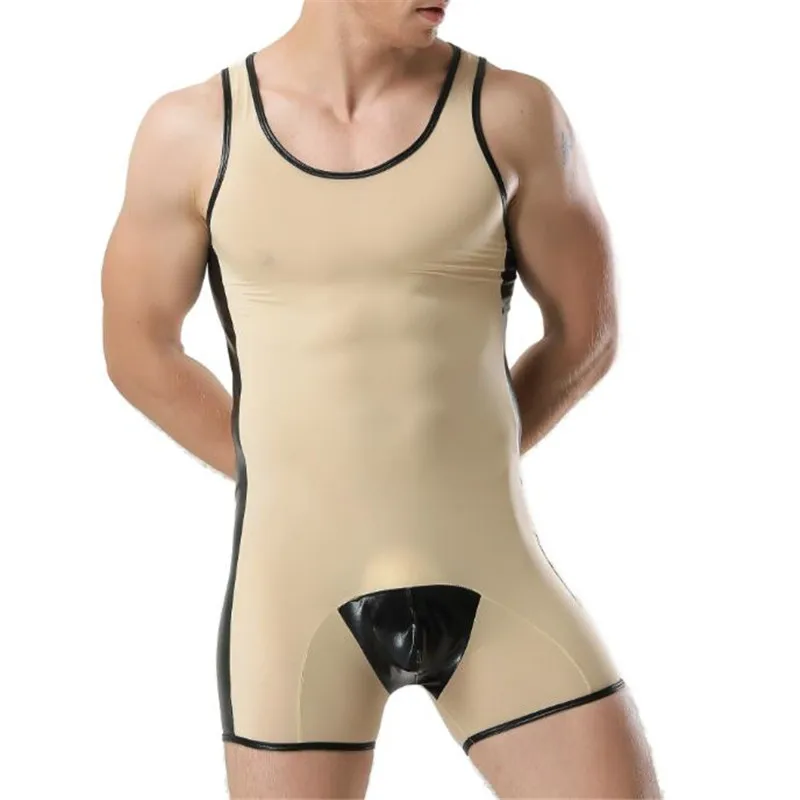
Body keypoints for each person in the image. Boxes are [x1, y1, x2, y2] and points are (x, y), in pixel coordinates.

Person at [101, 1, 662, 797]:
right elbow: (139, 351)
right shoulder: (194, 131)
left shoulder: (512, 114)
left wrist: (449, 470)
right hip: (292, 601)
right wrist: (291, 477)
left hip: (495, 576)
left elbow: (586, 334)